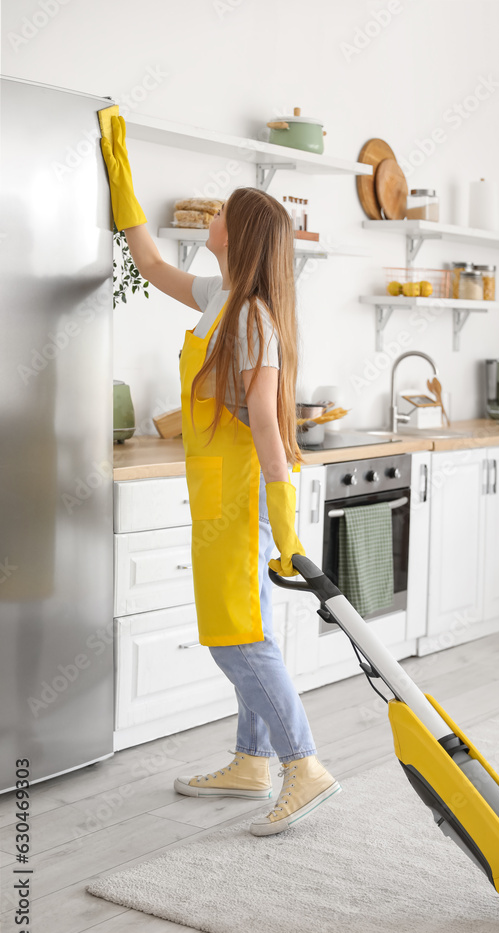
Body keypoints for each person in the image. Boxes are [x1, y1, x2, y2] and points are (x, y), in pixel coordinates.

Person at [100, 115, 341, 836]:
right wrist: (120, 174)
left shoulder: (253, 321)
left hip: (238, 503)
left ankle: (304, 766)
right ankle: (251, 761)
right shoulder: (220, 300)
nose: (213, 216)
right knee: (244, 627)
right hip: (215, 494)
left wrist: (283, 525)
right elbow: (147, 262)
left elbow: (267, 426)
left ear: (240, 234)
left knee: (236, 638)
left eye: (223, 212)